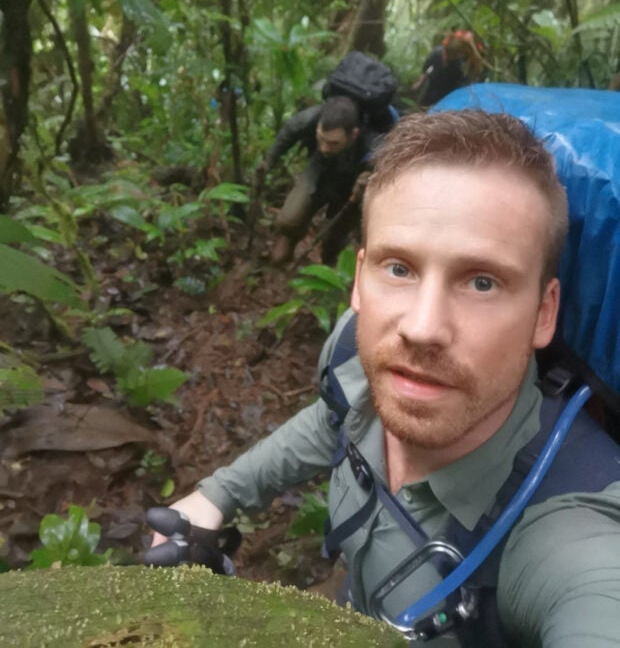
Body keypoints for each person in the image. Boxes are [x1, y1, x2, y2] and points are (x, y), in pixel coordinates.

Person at [152, 110, 620, 645]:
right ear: (359, 280)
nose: (422, 329)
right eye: (399, 268)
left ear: (543, 312)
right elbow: (335, 418)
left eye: (482, 282)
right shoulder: (365, 368)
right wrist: (217, 496)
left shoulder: (567, 524)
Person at [258, 95, 378, 265]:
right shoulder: (308, 120)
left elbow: (389, 171)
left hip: (351, 187)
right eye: (321, 138)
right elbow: (286, 136)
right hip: (318, 171)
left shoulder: (374, 144)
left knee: (335, 237)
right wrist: (268, 161)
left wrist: (368, 180)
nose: (324, 148)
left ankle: (328, 263)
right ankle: (288, 241)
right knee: (290, 218)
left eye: (333, 143)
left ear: (353, 134)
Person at [412, 30, 485, 108]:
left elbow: (465, 80)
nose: (451, 56)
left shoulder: (461, 61)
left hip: (451, 89)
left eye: (455, 55)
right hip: (434, 85)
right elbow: (427, 66)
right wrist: (420, 81)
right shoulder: (437, 53)